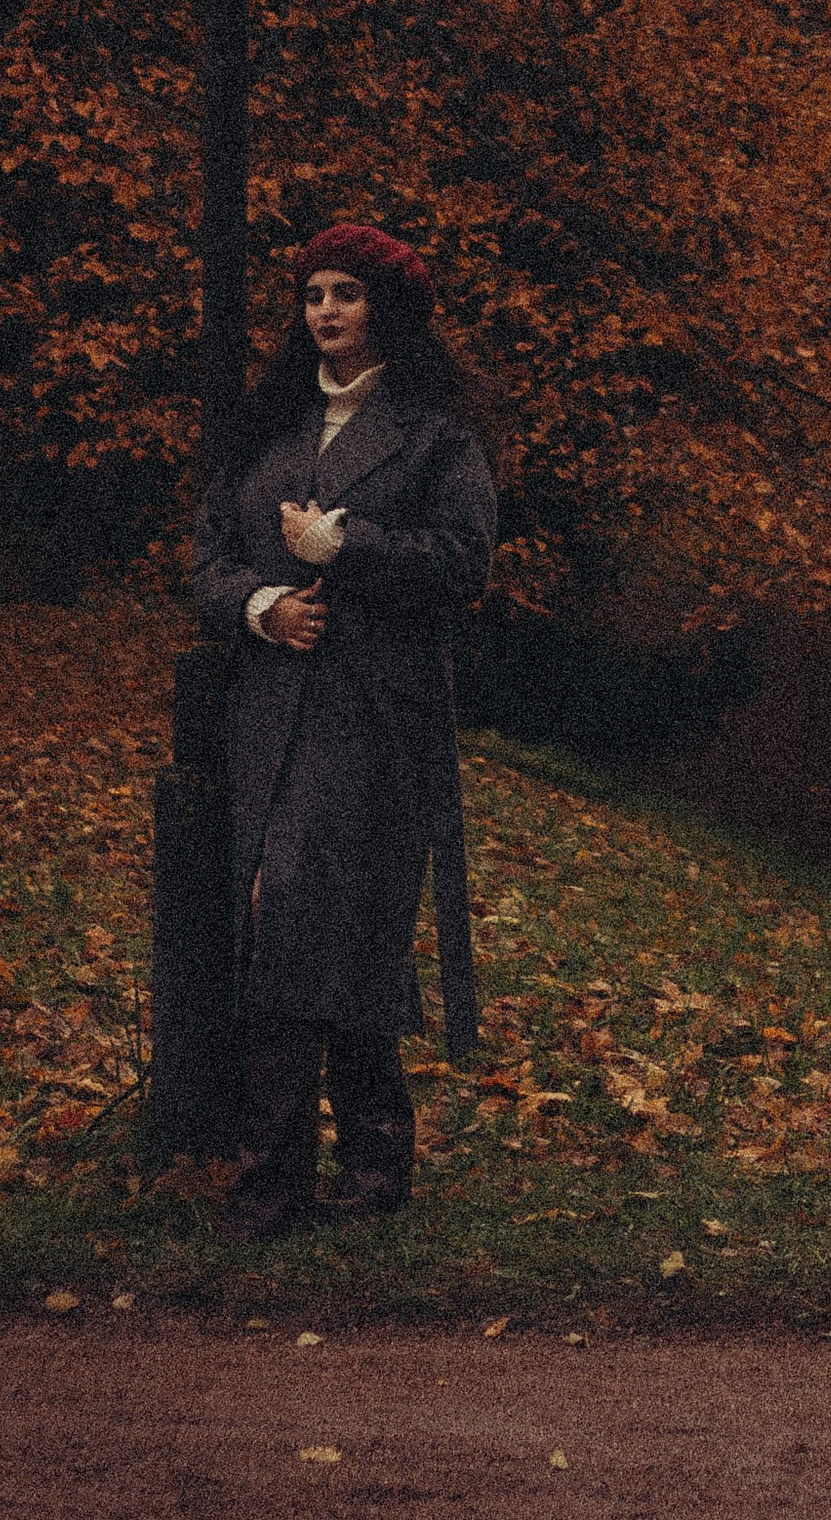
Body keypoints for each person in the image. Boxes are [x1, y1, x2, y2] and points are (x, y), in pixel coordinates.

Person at [189, 219, 496, 1237]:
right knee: (310, 924)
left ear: (387, 311)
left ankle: (273, 1181)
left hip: (376, 718)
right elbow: (207, 559)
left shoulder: (436, 435)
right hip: (267, 717)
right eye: (314, 293)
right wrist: (259, 608)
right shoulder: (267, 426)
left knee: (310, 919)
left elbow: (463, 563)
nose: (325, 310)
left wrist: (346, 543)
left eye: (347, 294)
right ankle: (370, 1167)